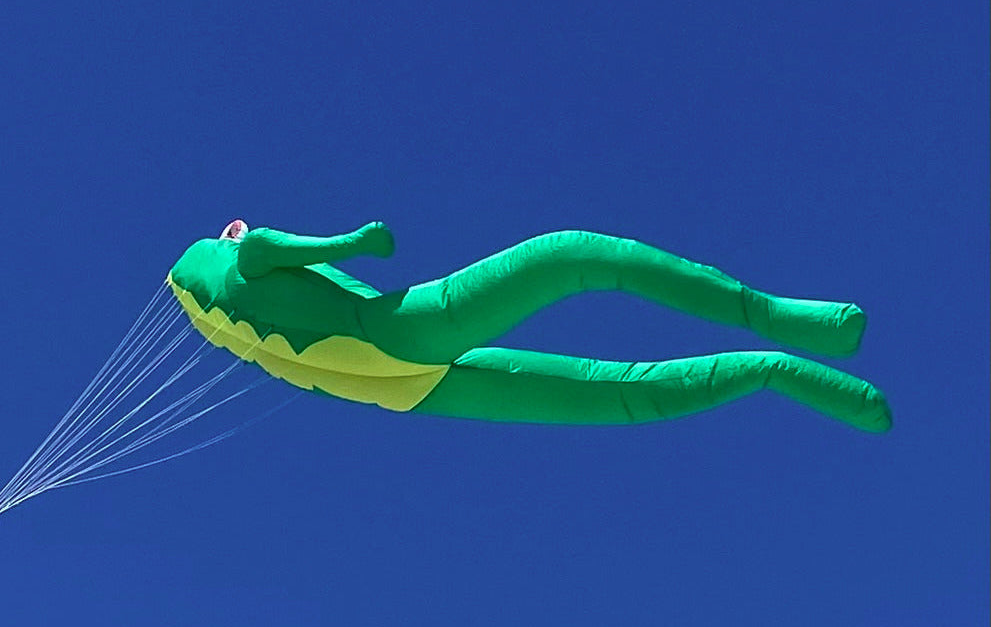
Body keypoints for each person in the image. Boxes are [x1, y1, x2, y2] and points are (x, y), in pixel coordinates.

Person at [166, 219, 891, 432]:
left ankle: (776, 367)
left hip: (394, 389)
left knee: (619, 395)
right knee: (570, 255)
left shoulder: (213, 294)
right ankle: (773, 331)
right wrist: (352, 244)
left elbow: (260, 260)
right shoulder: (234, 256)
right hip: (393, 339)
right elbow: (267, 250)